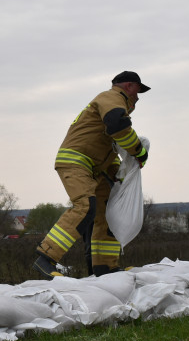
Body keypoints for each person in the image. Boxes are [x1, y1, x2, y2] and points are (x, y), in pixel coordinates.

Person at [34, 71, 151, 278]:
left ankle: (105, 267)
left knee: (109, 210)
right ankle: (46, 258)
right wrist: (138, 152)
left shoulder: (111, 105)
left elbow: (107, 149)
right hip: (75, 162)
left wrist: (120, 173)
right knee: (85, 206)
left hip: (94, 167)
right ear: (129, 86)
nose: (138, 97)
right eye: (138, 91)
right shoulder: (112, 98)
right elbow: (118, 125)